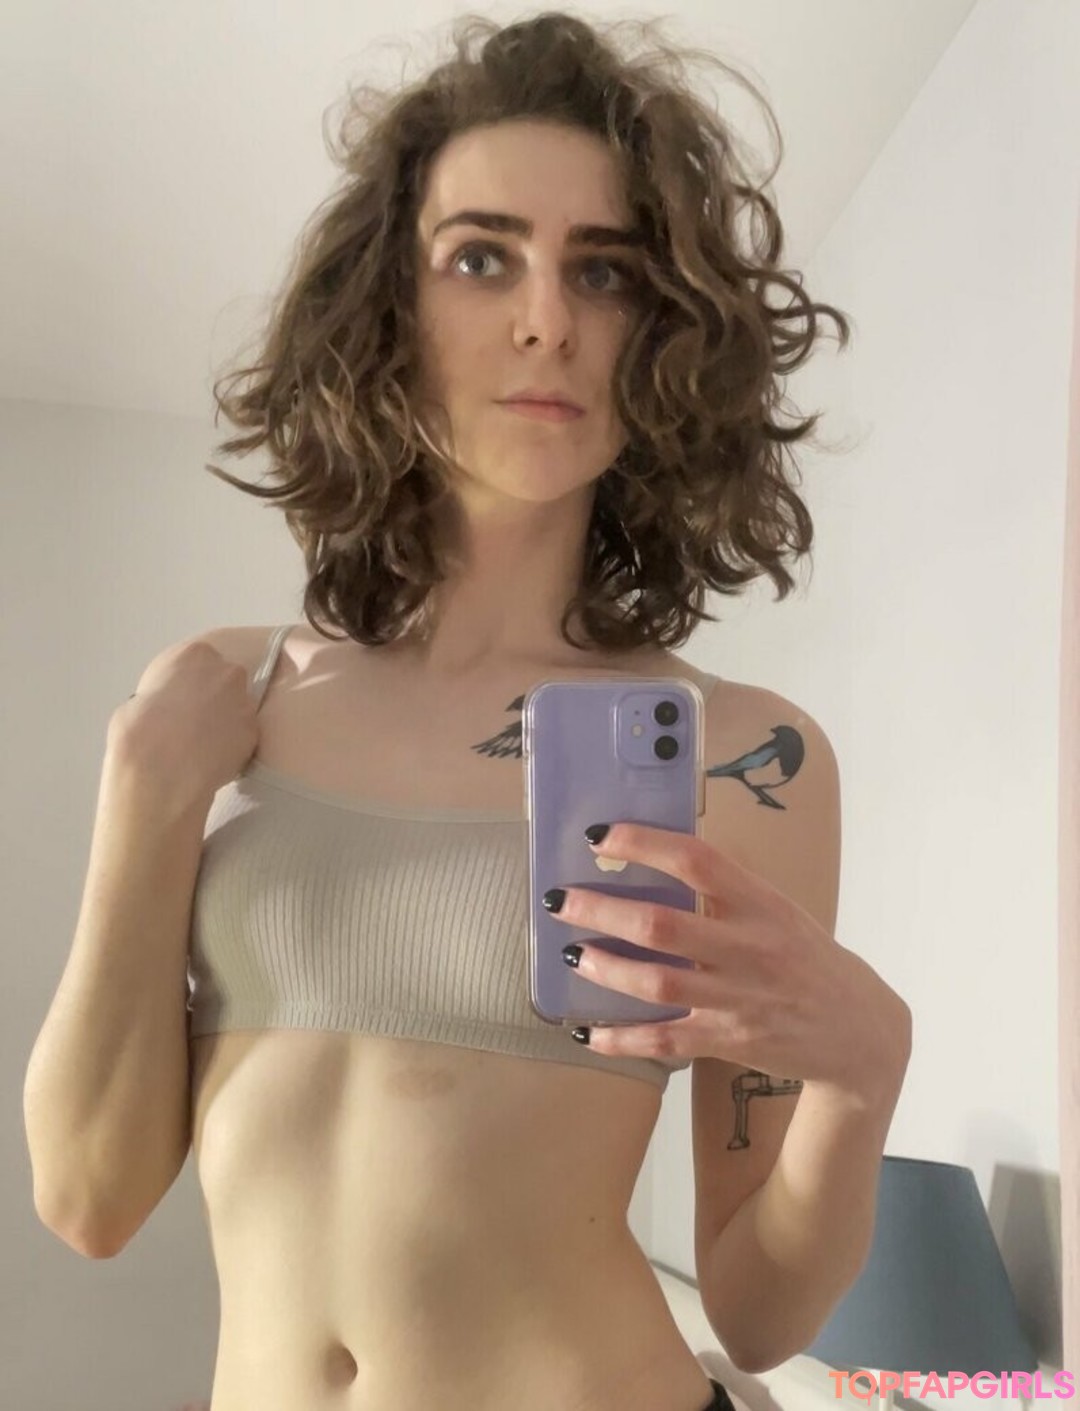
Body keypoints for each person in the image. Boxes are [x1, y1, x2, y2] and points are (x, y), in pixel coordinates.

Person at [28, 12, 913, 1411]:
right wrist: (143, 800)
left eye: (604, 271)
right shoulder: (213, 699)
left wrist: (865, 1073)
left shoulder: (747, 756)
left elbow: (754, 1315)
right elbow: (87, 1198)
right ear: (389, 309)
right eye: (482, 256)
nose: (545, 318)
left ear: (664, 335)